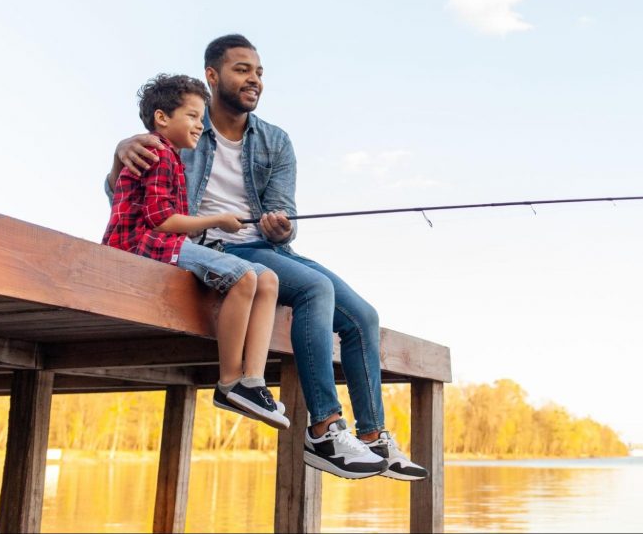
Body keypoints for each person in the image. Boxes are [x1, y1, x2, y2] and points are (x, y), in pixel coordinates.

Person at [107, 35, 427, 481]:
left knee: (363, 317)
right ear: (212, 76)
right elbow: (128, 196)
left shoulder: (275, 141)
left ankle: (373, 437)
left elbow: (285, 215)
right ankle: (324, 429)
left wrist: (282, 226)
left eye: (258, 72)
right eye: (242, 70)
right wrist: (120, 151)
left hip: (266, 248)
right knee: (316, 288)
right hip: (208, 248)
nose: (253, 79)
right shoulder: (185, 129)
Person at [103, 73, 289, 431]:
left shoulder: (171, 157)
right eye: (192, 116)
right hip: (141, 246)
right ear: (162, 118)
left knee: (268, 279)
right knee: (243, 275)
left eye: (202, 118)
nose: (200, 125)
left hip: (166, 243)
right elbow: (159, 221)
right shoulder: (157, 152)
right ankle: (230, 381)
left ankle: (253, 382)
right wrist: (217, 220)